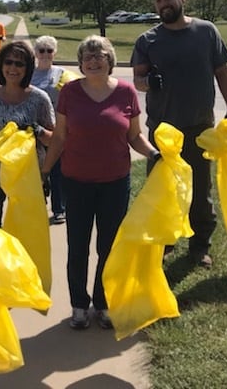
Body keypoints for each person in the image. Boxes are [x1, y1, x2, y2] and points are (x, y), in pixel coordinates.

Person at [41, 35, 160, 331]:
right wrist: (43, 172)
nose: (93, 61)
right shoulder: (69, 92)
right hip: (76, 182)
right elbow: (59, 137)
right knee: (78, 246)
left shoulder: (126, 92)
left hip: (115, 183)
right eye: (87, 57)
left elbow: (134, 136)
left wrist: (154, 153)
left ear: (110, 61)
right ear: (80, 63)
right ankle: (79, 305)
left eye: (99, 56)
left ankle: (104, 302)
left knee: (109, 246)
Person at [131, 0, 227, 269]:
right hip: (164, 133)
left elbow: (222, 71)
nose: (163, 3)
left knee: (200, 192)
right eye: (158, 0)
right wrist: (148, 82)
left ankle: (200, 246)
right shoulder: (147, 40)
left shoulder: (206, 31)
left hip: (200, 128)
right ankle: (165, 242)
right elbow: (138, 80)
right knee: (163, 190)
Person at [0, 40, 55, 227]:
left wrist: (37, 130)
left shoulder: (39, 99)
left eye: (19, 64)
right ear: (0, 64)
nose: (13, 68)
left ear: (28, 68)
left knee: (25, 230)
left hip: (26, 177)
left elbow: (54, 139)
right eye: (8, 62)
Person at [30, 35, 68, 224]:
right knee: (36, 171)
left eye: (49, 50)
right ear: (35, 53)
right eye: (41, 50)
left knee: (57, 171)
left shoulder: (62, 74)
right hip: (32, 129)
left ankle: (59, 209)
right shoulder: (28, 74)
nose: (45, 54)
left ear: (55, 53)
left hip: (57, 129)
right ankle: (37, 206)